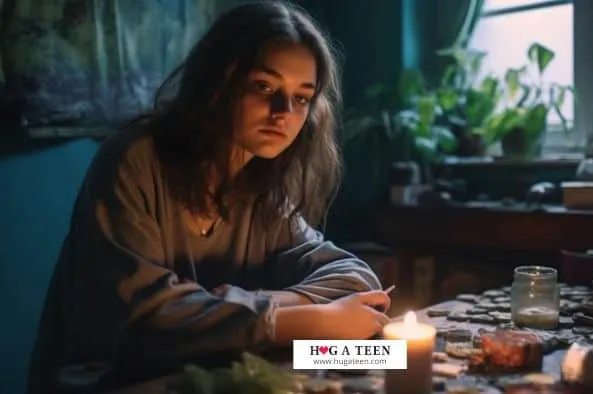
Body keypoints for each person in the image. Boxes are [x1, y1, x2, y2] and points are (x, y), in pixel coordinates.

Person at [27, 1, 391, 392]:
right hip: (119, 380)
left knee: (389, 355)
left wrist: (271, 307)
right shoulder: (135, 160)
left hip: (221, 370)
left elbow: (355, 280)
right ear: (218, 84)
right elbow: (146, 320)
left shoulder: (261, 185)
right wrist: (301, 321)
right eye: (263, 87)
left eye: (301, 97)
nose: (283, 112)